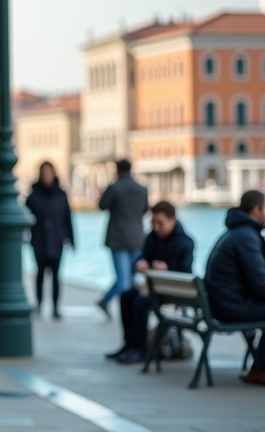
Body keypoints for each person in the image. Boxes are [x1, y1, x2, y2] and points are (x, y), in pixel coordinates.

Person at [107, 200, 193, 364]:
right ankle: (129, 344)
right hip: (152, 288)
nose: (156, 227)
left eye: (160, 223)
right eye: (153, 223)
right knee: (126, 296)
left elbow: (185, 271)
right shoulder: (152, 237)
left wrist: (167, 268)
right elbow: (142, 256)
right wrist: (141, 263)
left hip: (172, 292)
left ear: (173, 220)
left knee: (140, 302)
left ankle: (140, 349)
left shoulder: (185, 242)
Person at [201, 189, 265, 386]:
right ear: (257, 210)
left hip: (223, 303)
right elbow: (261, 285)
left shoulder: (237, 233)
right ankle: (261, 369)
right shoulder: (246, 237)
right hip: (232, 307)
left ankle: (260, 367)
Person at [96, 158, 149, 319]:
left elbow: (102, 205)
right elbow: (145, 210)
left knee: (123, 279)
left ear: (118, 170)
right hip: (137, 237)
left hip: (118, 239)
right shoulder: (142, 189)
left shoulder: (114, 187)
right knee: (131, 278)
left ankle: (106, 300)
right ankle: (126, 306)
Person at [25, 161, 74, 319]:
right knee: (39, 274)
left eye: (49, 172)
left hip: (57, 240)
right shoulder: (33, 196)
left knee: (56, 276)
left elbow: (67, 218)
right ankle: (39, 305)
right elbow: (26, 218)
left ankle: (55, 308)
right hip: (39, 241)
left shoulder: (61, 195)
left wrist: (72, 240)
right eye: (44, 172)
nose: (47, 176)